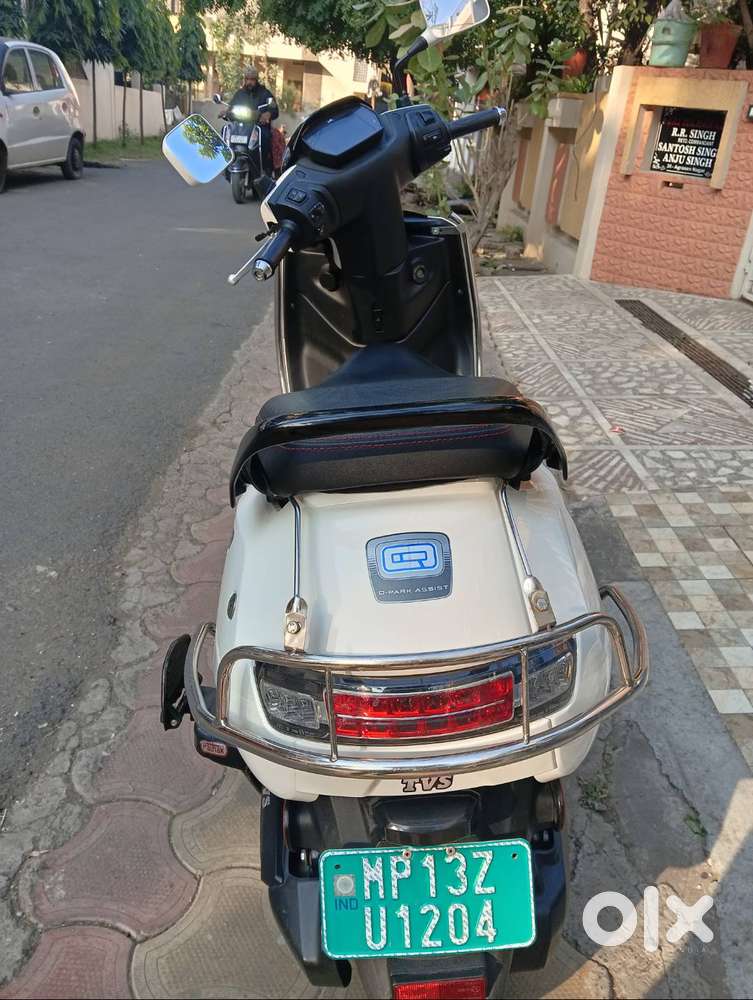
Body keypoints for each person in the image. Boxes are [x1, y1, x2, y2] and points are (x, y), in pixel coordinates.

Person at [229, 65, 279, 176]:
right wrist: (226, 112)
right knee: (226, 130)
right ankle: (227, 161)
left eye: (252, 79)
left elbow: (274, 109)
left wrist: (268, 113)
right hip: (241, 128)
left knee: (265, 138)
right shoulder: (239, 94)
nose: (249, 82)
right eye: (247, 79)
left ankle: (265, 167)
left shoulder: (264, 93)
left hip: (258, 126)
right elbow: (231, 107)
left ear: (256, 80)